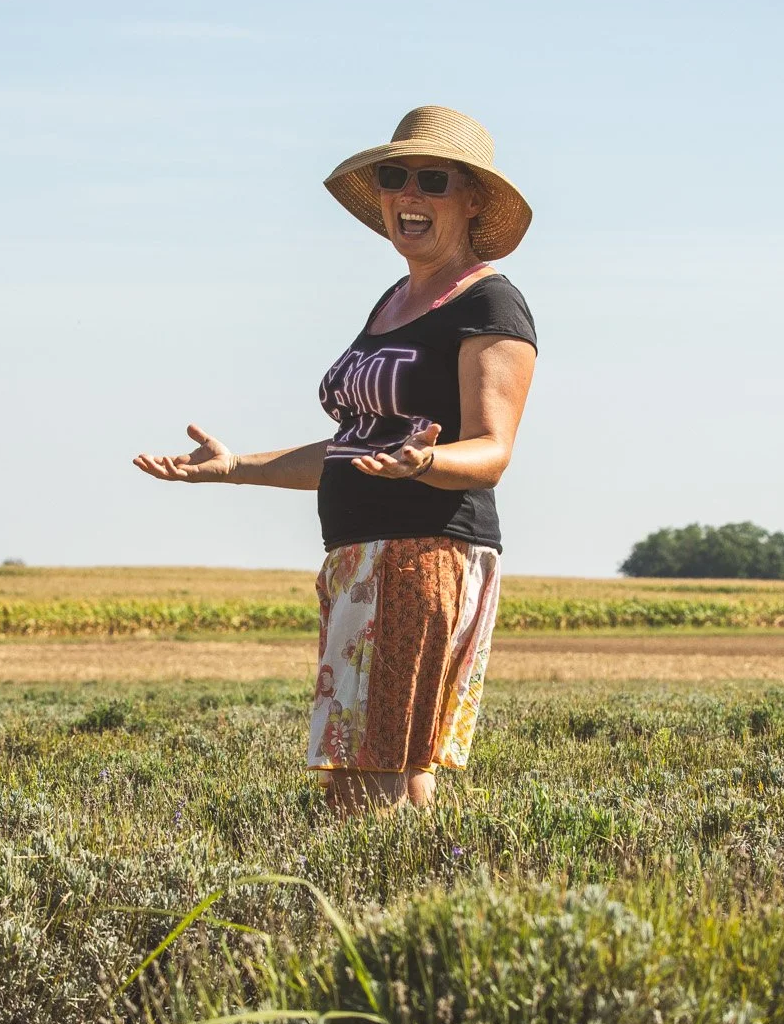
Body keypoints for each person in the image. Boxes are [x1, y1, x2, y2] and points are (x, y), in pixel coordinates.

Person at [133, 106, 538, 812]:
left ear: (472, 198)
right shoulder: (393, 300)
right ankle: (408, 903)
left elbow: (492, 449)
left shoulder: (491, 302)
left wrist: (425, 463)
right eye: (394, 176)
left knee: (373, 768)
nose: (409, 195)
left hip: (426, 553)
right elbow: (354, 445)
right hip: (360, 555)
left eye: (433, 180)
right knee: (370, 765)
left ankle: (378, 908)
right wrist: (235, 467)